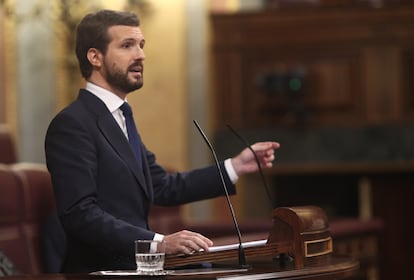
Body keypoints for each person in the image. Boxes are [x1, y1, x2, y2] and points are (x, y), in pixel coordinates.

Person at [44, 9, 280, 273]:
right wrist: (158, 243)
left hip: (139, 268)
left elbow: (163, 186)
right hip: (102, 271)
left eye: (141, 45)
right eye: (127, 45)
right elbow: (80, 215)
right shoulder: (73, 124)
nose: (140, 55)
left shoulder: (120, 117)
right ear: (95, 57)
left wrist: (235, 167)